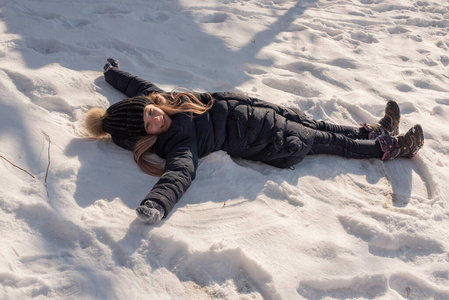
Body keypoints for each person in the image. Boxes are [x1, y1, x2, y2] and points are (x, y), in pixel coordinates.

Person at [84, 58, 424, 225]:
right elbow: (179, 174)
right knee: (332, 143)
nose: (156, 117)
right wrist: (157, 203)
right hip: (270, 140)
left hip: (269, 116)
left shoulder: (163, 101)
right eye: (149, 124)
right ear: (147, 136)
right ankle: (392, 149)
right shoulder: (179, 142)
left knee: (321, 125)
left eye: (150, 111)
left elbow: (136, 86)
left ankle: (375, 132)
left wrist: (112, 73)